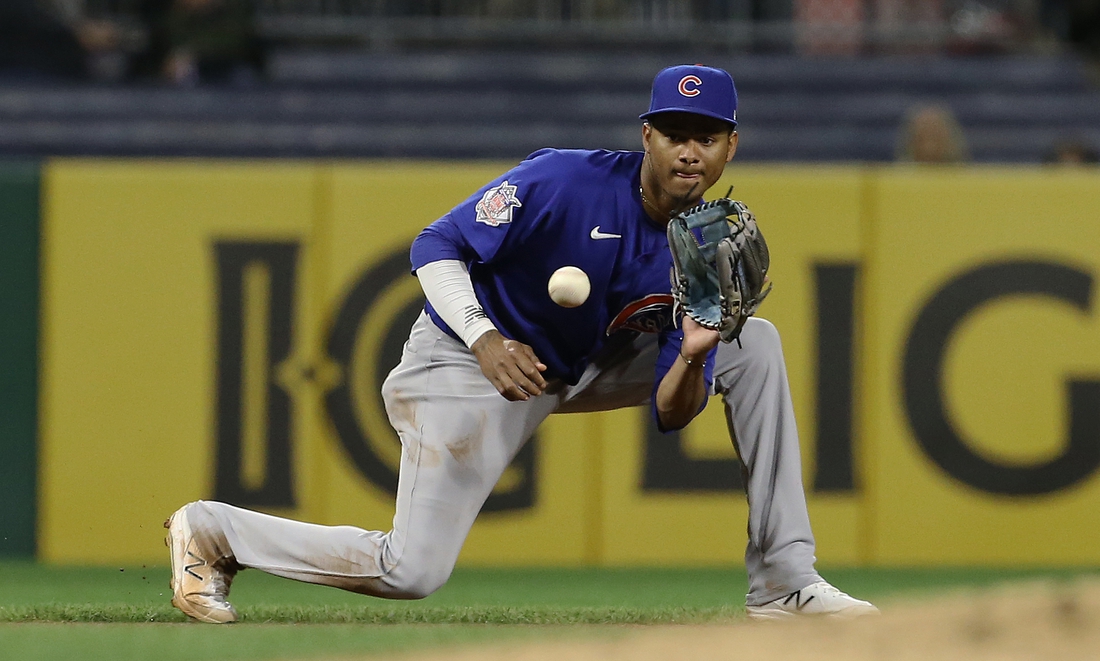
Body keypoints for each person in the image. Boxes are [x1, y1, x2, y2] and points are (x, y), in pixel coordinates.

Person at [165, 64, 879, 624]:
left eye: (707, 135)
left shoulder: (700, 250)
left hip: (579, 365)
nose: (689, 150)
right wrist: (483, 338)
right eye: (674, 132)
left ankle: (784, 583)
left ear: (731, 146)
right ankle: (215, 532)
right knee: (411, 570)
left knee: (756, 343)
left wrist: (695, 352)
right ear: (647, 136)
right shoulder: (561, 180)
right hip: (467, 360)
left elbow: (671, 412)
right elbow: (435, 243)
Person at [895, 103, 970, 163]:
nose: (929, 146)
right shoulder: (897, 178)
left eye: (935, 137)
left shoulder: (967, 178)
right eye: (922, 137)